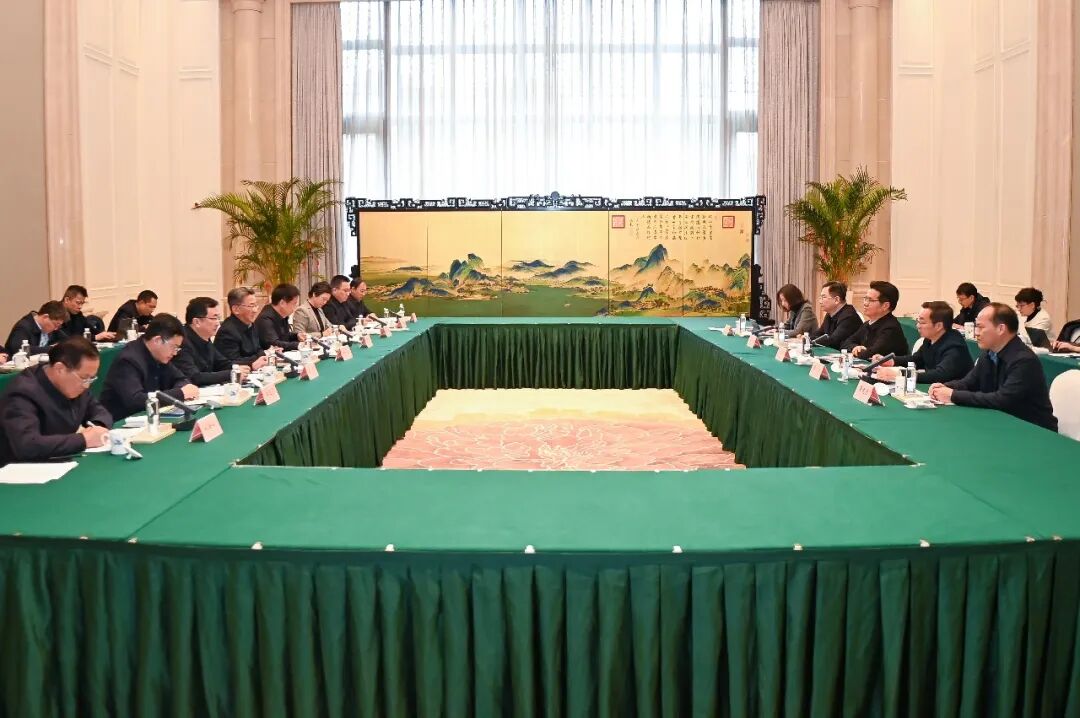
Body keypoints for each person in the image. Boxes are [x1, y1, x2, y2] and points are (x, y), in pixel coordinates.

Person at [930, 303, 1057, 432]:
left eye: (980, 327)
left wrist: (953, 395)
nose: (976, 333)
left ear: (1001, 329)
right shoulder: (989, 353)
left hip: (1033, 430)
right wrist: (944, 387)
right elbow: (969, 383)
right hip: (1004, 424)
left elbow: (1002, 400)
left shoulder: (1024, 360)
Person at [0, 338, 113, 465]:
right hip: (21, 469)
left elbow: (100, 412)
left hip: (60, 460)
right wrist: (83, 440)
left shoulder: (76, 383)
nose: (87, 385)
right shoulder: (23, 393)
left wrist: (97, 429)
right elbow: (27, 445)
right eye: (84, 378)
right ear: (60, 369)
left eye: (91, 379)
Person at [99, 313, 198, 420]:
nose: (175, 353)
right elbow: (136, 400)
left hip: (149, 417)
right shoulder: (128, 360)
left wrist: (184, 389)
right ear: (157, 340)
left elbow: (180, 379)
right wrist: (180, 393)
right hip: (121, 422)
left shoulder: (159, 356)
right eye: (174, 347)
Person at [871, 301, 973, 384]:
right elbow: (917, 359)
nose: (918, 326)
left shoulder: (955, 346)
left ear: (938, 326)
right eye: (918, 321)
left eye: (922, 322)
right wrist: (892, 361)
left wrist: (901, 374)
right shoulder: (930, 339)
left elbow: (940, 374)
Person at [171, 297, 256, 387]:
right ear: (197, 322)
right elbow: (195, 377)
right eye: (214, 318)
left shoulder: (205, 338)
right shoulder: (181, 342)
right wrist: (231, 373)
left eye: (218, 318)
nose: (217, 323)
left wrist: (248, 366)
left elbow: (222, 363)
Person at [841, 281, 909, 359]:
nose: (865, 303)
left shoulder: (891, 328)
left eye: (870, 300)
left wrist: (860, 351)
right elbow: (845, 343)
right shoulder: (868, 324)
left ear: (885, 306)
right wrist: (855, 347)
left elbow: (871, 353)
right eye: (865, 299)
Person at [215, 287, 270, 365]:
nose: (255, 310)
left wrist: (264, 354)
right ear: (236, 309)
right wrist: (262, 355)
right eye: (251, 306)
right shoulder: (227, 331)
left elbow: (258, 349)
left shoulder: (251, 324)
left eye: (256, 305)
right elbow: (232, 362)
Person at [808, 281, 861, 349]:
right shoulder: (830, 313)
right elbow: (820, 333)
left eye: (823, 297)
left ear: (836, 300)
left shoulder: (849, 317)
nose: (820, 301)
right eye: (820, 298)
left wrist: (811, 340)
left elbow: (833, 341)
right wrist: (807, 338)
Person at [255, 283, 307, 351]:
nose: (296, 307)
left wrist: (296, 336)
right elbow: (274, 344)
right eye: (294, 304)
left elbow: (284, 336)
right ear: (282, 303)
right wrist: (298, 345)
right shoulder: (265, 319)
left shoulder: (282, 315)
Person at [5, 301, 69, 356]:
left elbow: (67, 340)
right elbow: (19, 349)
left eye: (59, 326)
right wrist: (51, 349)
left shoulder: (51, 328)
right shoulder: (23, 327)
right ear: (45, 317)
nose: (56, 329)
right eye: (56, 324)